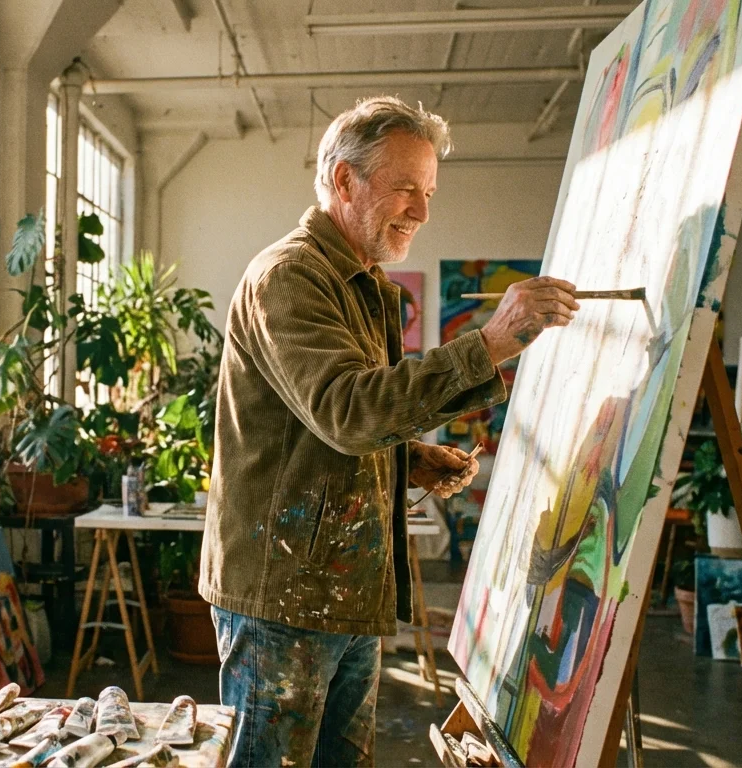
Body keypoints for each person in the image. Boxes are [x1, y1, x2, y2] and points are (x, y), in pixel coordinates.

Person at [198, 96, 579, 767]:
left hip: (341, 584)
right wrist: (487, 344)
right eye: (406, 188)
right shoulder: (290, 277)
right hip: (283, 597)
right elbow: (348, 410)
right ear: (345, 182)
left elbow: (323, 427)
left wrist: (406, 460)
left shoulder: (361, 283)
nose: (422, 211)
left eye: (428, 191)